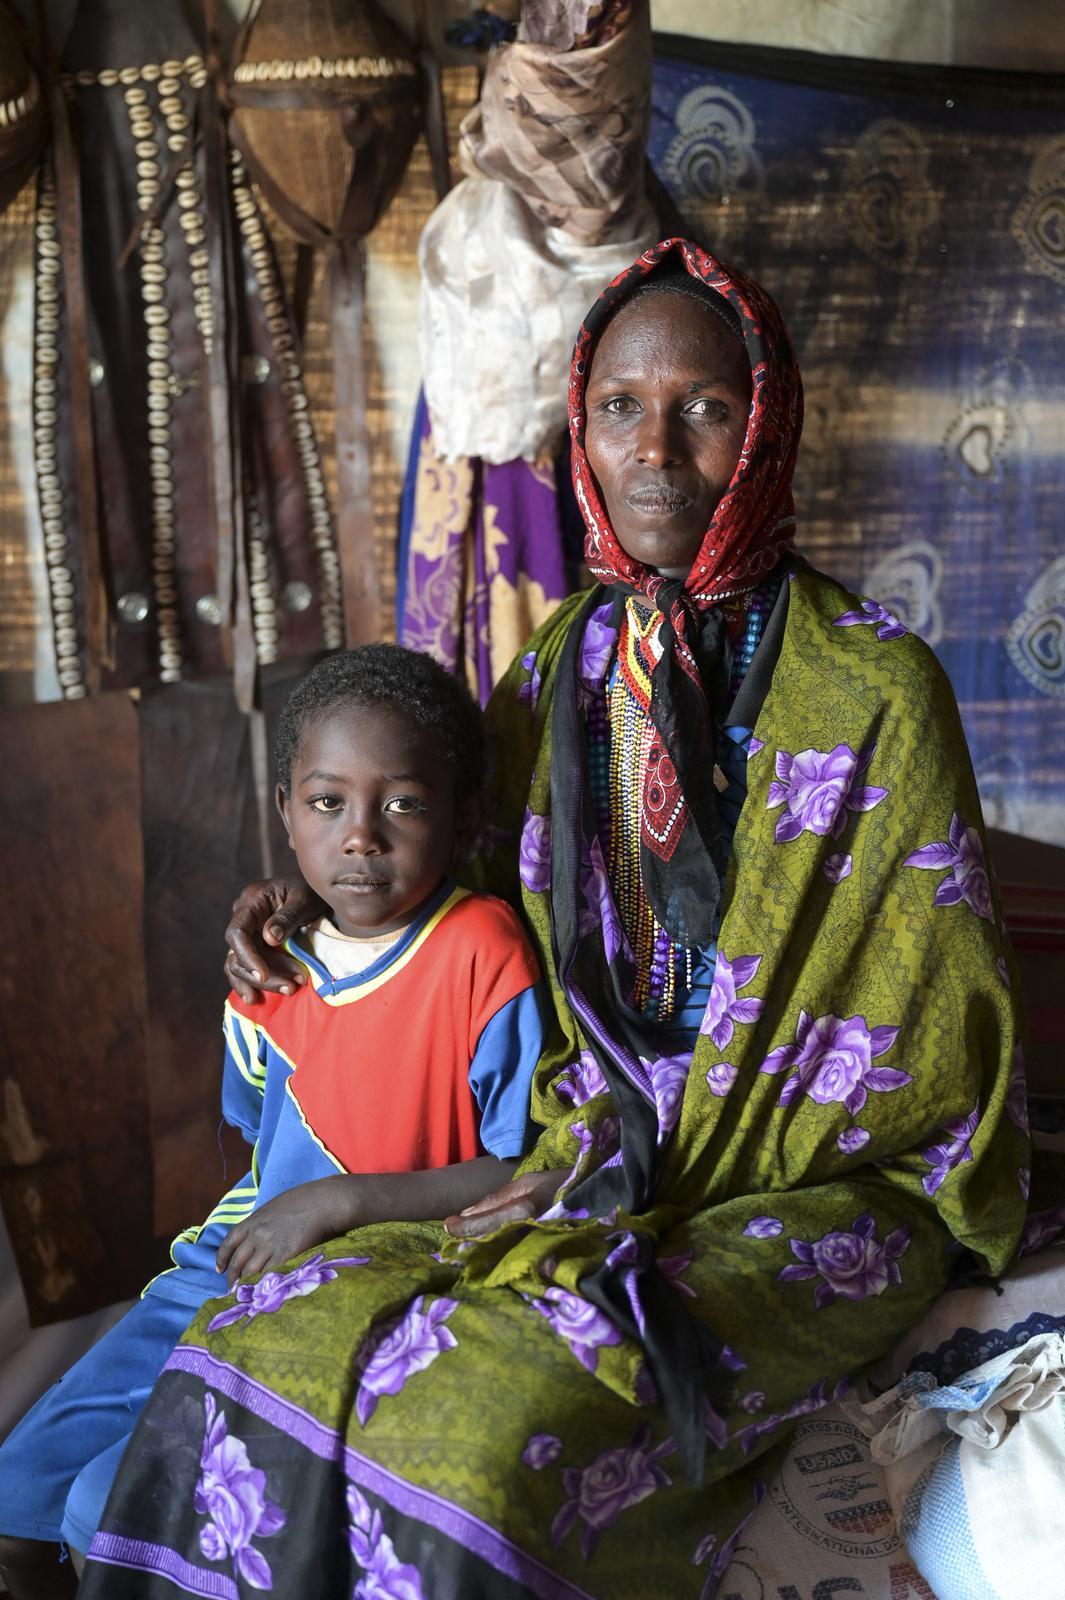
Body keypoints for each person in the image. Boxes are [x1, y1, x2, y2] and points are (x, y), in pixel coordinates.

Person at [80, 239, 1027, 1600]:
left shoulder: (874, 686)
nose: (657, 449)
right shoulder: (555, 665)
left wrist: (704, 1143)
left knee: (486, 1423)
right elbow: (431, 865)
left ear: (762, 426)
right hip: (586, 1157)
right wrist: (300, 906)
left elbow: (933, 1039)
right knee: (256, 1337)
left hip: (813, 1183)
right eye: (618, 409)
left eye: (702, 407)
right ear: (578, 430)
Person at [0, 644, 548, 1600]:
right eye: (328, 803)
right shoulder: (270, 972)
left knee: (105, 1504)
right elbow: (257, 1145)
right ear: (287, 815)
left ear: (461, 820)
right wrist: (277, 1217)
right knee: (18, 1486)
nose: (362, 837)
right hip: (224, 1269)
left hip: (365, 1270)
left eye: (403, 805)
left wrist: (337, 1202)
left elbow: (515, 1161)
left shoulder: (479, 948)